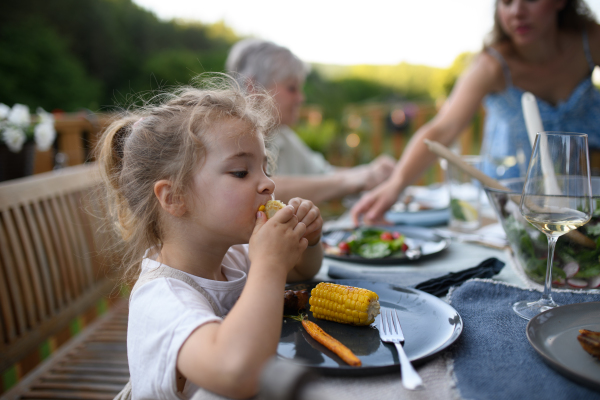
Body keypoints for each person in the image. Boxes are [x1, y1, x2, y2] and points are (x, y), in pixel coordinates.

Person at [97, 76, 323, 399]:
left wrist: (307, 241)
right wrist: (270, 264)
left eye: (266, 168)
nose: (268, 185)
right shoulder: (162, 300)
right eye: (242, 172)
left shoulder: (232, 255)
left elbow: (304, 271)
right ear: (175, 197)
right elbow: (237, 373)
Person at [352, 0, 600, 225]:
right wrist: (395, 185)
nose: (517, 12)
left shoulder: (590, 41)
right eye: (506, 2)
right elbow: (443, 128)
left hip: (588, 189)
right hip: (515, 198)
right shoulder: (491, 65)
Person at [226, 38, 396, 205]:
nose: (301, 98)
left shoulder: (282, 136)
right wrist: (355, 179)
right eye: (292, 88)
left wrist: (371, 173)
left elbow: (323, 175)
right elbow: (256, 189)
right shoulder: (229, 138)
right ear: (254, 88)